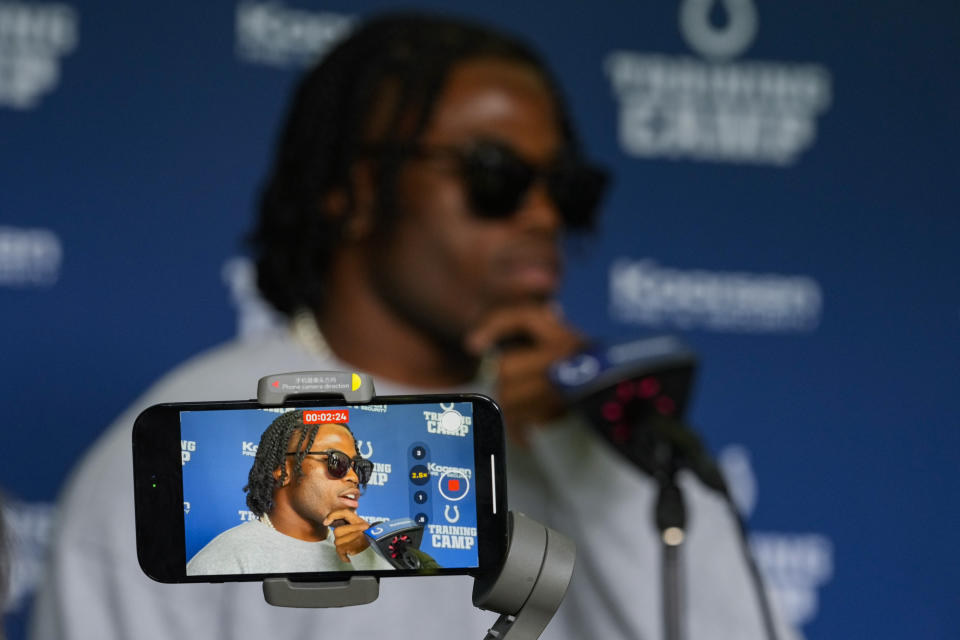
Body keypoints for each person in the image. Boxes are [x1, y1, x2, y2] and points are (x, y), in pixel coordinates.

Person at [31, 12, 795, 640]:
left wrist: (594, 448)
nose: (542, 215)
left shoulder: (604, 440)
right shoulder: (194, 435)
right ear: (357, 190)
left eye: (565, 187)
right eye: (495, 176)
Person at [186, 412, 392, 575]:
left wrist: (367, 556)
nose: (354, 477)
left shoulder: (366, 551)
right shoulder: (228, 556)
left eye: (358, 466)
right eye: (337, 461)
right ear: (283, 471)